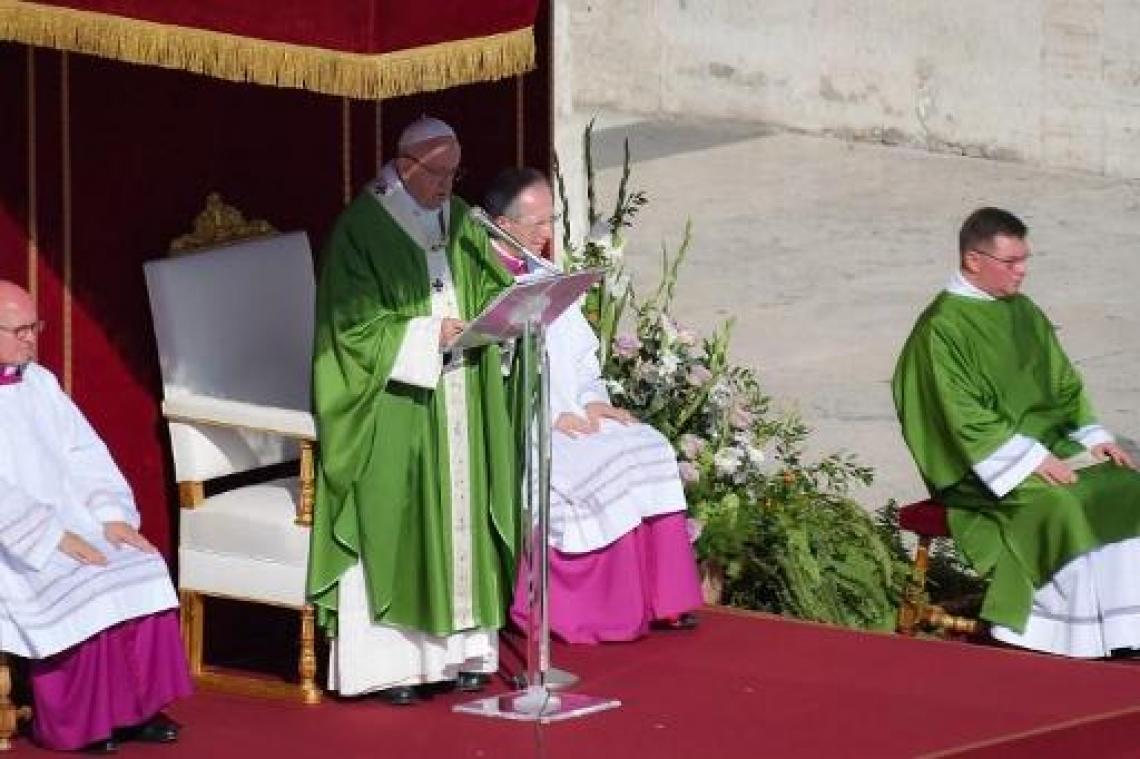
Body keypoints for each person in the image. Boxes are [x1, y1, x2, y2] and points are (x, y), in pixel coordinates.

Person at [307, 117, 520, 705]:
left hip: (460, 392)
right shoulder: (362, 229)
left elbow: (488, 285)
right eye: (439, 174)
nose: (450, 186)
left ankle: (464, 653)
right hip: (393, 403)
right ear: (405, 167)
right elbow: (347, 333)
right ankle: (392, 666)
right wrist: (429, 334)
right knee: (403, 515)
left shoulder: (459, 220)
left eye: (457, 172)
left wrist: (501, 316)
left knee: (464, 512)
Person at [892, 207, 1140, 657]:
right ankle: (1065, 635)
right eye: (1012, 262)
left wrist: (1093, 438)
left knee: (1126, 482)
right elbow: (959, 417)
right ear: (973, 260)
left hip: (1047, 445)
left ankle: (1124, 630)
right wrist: (1032, 459)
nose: (1022, 272)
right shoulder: (941, 330)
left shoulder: (1022, 312)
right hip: (979, 467)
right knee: (1061, 502)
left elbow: (1063, 382)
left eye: (1025, 259)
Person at [483, 168, 704, 643]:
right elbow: (494, 374)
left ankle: (662, 600)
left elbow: (580, 356)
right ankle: (594, 612)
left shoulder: (548, 277)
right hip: (526, 426)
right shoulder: (481, 284)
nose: (548, 234)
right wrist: (542, 416)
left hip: (573, 412)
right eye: (537, 224)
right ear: (502, 224)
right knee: (583, 467)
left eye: (552, 221)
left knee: (646, 445)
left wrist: (592, 400)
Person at [0, 280, 191, 752]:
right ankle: (82, 723)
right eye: (20, 329)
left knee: (138, 563)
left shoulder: (41, 383)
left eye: (34, 326)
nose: (31, 337)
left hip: (72, 521)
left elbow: (85, 453)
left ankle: (136, 711)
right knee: (84, 581)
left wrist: (110, 516)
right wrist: (52, 537)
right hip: (16, 541)